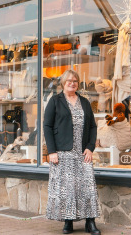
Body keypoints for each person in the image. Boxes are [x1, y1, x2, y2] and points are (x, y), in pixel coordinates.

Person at [44, 70, 101, 235]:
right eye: (69, 80)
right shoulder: (55, 101)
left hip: (82, 153)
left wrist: (90, 147)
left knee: (88, 187)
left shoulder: (84, 102)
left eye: (75, 80)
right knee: (68, 188)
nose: (72, 83)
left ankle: (90, 222)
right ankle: (68, 222)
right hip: (63, 152)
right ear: (63, 82)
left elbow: (92, 127)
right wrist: (52, 151)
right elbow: (47, 127)